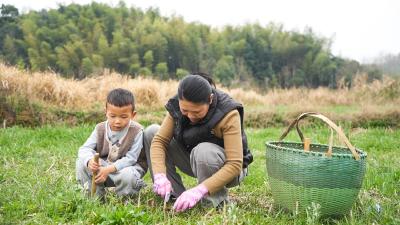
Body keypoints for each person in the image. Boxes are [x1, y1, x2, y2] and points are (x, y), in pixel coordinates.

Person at [145, 73, 253, 212]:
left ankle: (215, 204)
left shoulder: (228, 113)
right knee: (151, 132)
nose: (190, 116)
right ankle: (173, 196)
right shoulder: (177, 105)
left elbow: (234, 164)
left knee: (204, 150)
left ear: (210, 99)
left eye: (196, 112)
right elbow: (160, 141)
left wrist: (199, 190)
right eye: (185, 110)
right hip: (194, 160)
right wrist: (160, 175)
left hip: (229, 170)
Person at [76, 88, 156, 197]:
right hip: (103, 168)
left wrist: (107, 170)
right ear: (106, 113)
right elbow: (84, 149)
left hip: (127, 169)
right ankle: (93, 198)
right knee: (81, 163)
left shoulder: (137, 131)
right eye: (112, 116)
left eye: (123, 117)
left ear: (133, 115)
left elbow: (131, 158)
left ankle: (126, 200)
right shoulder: (100, 128)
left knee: (127, 175)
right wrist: (89, 161)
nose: (117, 121)